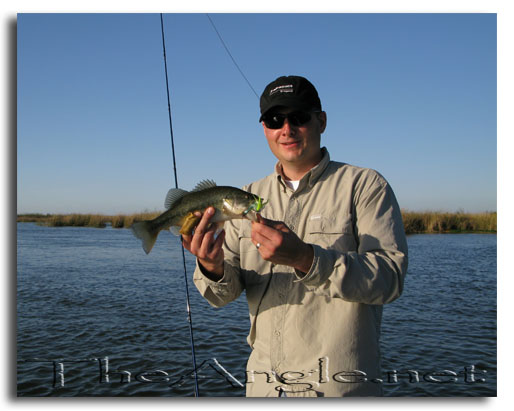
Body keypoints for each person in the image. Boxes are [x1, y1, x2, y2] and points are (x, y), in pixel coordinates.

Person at [182, 75, 408, 397]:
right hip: (263, 389)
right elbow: (221, 296)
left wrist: (306, 258)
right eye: (275, 120)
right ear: (264, 129)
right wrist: (210, 266)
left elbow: (390, 280)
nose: (286, 129)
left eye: (298, 117)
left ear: (321, 121)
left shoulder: (366, 186)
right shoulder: (246, 195)